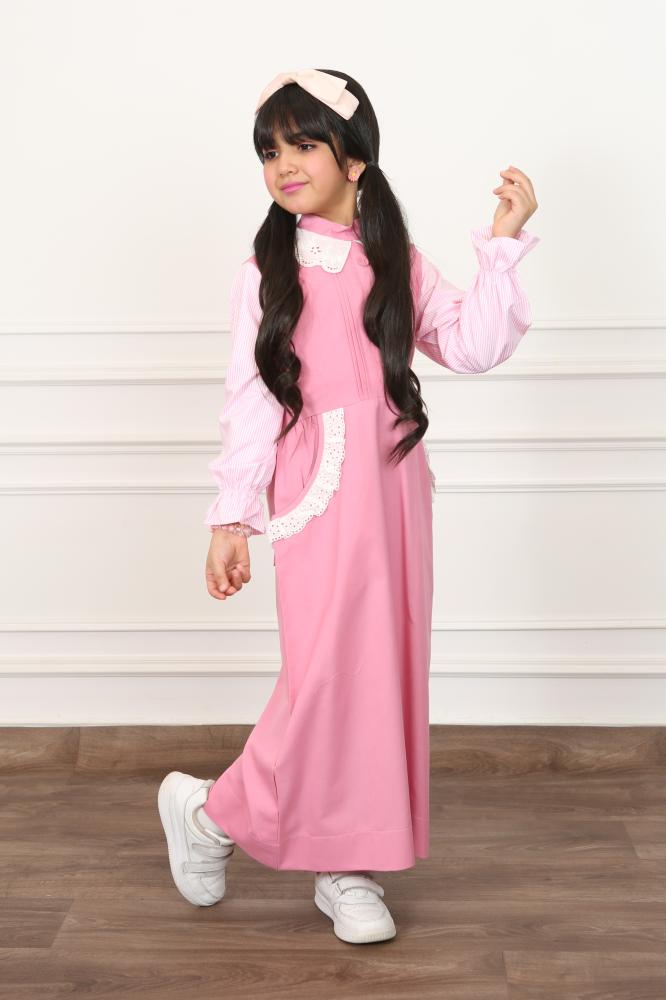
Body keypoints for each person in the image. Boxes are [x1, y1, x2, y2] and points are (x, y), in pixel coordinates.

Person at [158, 67, 540, 945]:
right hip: (319, 490)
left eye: (303, 144)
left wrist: (503, 243)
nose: (283, 165)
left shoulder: (396, 260)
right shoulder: (267, 272)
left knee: (383, 671)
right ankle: (217, 817)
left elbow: (472, 345)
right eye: (269, 152)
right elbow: (252, 397)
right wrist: (230, 516)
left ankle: (341, 862)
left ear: (355, 157)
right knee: (326, 677)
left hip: (395, 486)